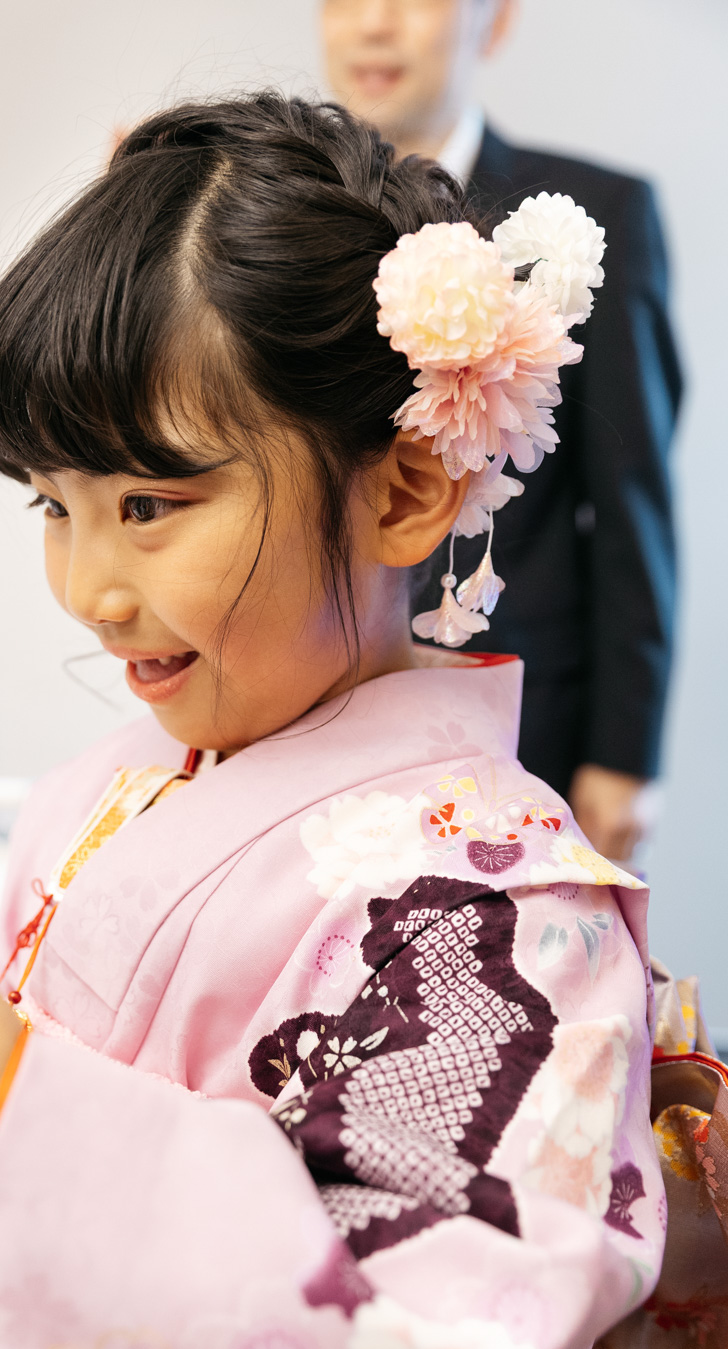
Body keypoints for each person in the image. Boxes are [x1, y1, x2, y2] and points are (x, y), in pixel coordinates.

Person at [0, 98, 664, 1349]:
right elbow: (11, 1152)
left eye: (150, 506)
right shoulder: (105, 788)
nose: (91, 591)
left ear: (407, 490)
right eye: (55, 506)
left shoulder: (509, 920)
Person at [321, 0, 682, 865]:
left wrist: (625, 752)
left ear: (495, 19)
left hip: (526, 716)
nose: (373, 24)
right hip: (325, 702)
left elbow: (632, 505)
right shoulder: (282, 225)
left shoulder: (596, 215)